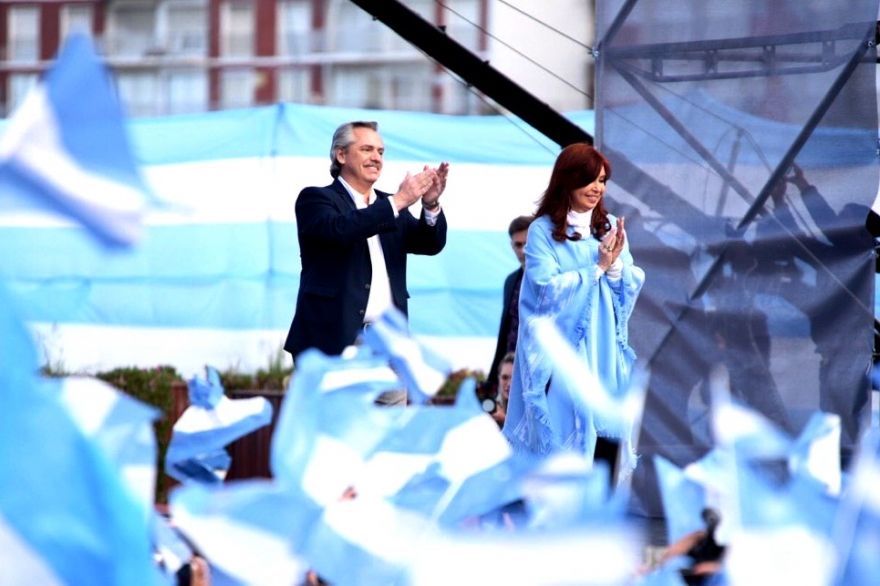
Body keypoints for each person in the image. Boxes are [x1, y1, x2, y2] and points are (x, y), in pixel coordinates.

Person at [283, 121, 449, 403]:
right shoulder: (316, 198)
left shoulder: (389, 204)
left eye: (381, 152)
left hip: (389, 343)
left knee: (389, 434)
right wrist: (398, 201)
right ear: (341, 155)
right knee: (337, 437)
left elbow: (429, 243)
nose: (377, 158)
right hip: (334, 342)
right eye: (367, 149)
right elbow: (342, 229)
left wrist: (430, 205)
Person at [502, 143, 645, 468]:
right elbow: (544, 291)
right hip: (563, 350)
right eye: (590, 180)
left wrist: (615, 267)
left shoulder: (607, 226)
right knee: (564, 433)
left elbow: (629, 284)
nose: (598, 188)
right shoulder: (543, 231)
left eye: (603, 180)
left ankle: (599, 509)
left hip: (603, 344)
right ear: (568, 180)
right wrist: (595, 268)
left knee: (605, 434)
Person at [486, 216, 534, 393]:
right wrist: (494, 379)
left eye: (527, 244)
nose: (523, 251)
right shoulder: (511, 281)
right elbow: (506, 331)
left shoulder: (555, 279)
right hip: (512, 370)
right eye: (518, 245)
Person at [487, 351, 514, 428]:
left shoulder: (529, 407)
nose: (509, 384)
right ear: (499, 378)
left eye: (513, 378)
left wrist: (504, 419)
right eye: (504, 378)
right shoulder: (493, 405)